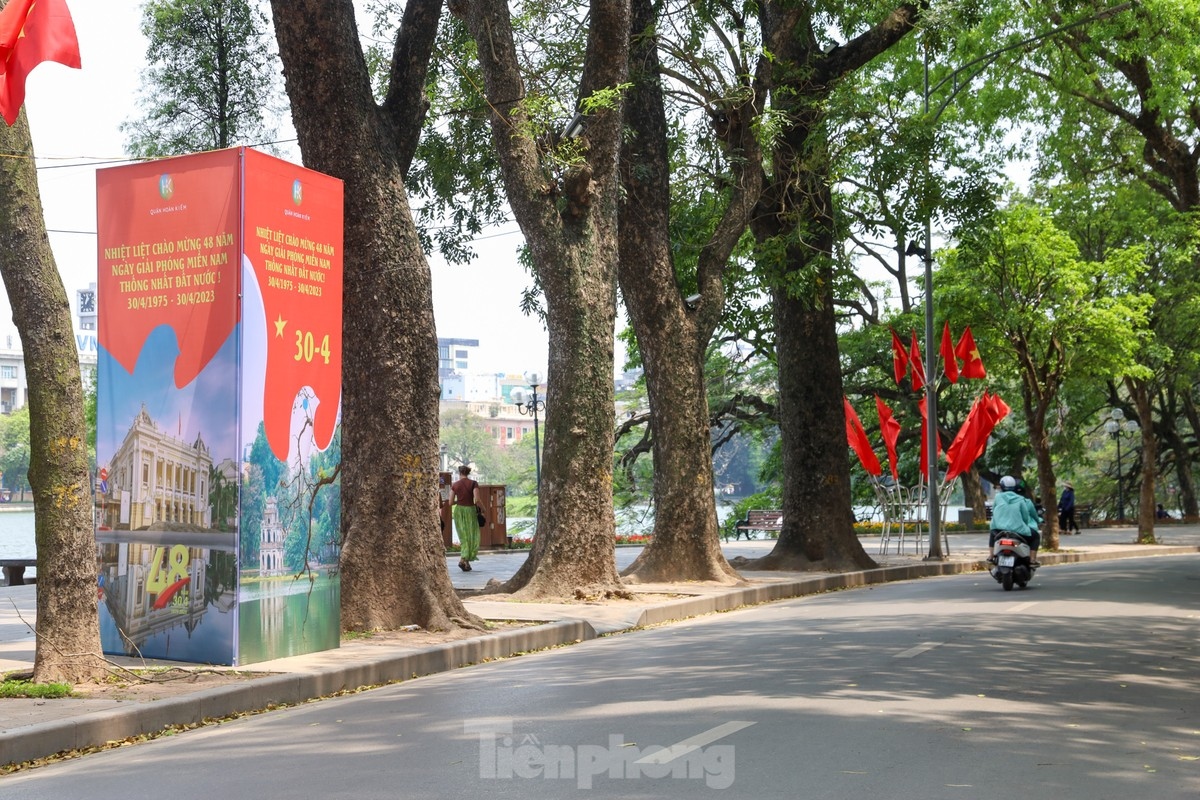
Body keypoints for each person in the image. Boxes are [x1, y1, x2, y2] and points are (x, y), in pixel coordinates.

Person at [990, 475, 1040, 564]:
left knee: (992, 535)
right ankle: (1032, 560)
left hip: (998, 530)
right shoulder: (1021, 500)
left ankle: (991, 556)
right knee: (1036, 536)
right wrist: (1024, 524)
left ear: (1002, 486)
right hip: (1018, 531)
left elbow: (994, 510)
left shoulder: (998, 497)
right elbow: (1025, 517)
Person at [450, 465, 482, 571]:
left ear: (459, 473)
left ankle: (466, 563)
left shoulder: (455, 485)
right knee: (472, 536)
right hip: (470, 511)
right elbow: (477, 500)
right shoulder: (473, 483)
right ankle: (463, 559)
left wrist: (458, 501)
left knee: (463, 537)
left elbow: (450, 502)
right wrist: (484, 509)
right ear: (468, 473)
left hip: (459, 511)